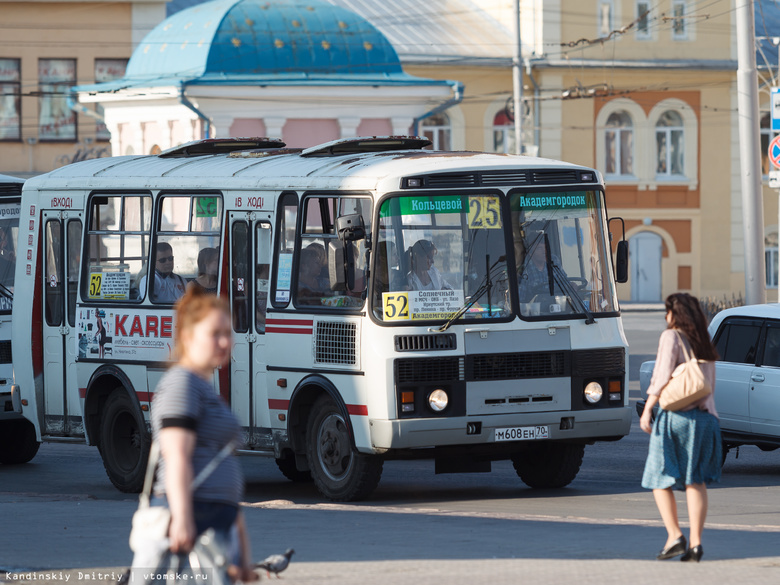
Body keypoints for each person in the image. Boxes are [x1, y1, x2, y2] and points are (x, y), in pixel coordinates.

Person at [145, 286, 257, 582]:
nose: (224, 342)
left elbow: (222, 465)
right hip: (191, 521)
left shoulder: (204, 387)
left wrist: (242, 552)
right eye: (214, 333)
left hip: (216, 521)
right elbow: (177, 456)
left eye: (228, 333)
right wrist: (181, 520)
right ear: (187, 336)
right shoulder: (181, 385)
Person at [640, 293, 721, 563]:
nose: (666, 317)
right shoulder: (704, 340)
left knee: (657, 477)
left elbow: (661, 375)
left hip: (677, 418)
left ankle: (675, 536)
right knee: (695, 481)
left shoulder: (671, 336)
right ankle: (696, 544)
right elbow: (709, 383)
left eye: (667, 312)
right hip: (706, 419)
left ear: (674, 314)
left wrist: (649, 406)